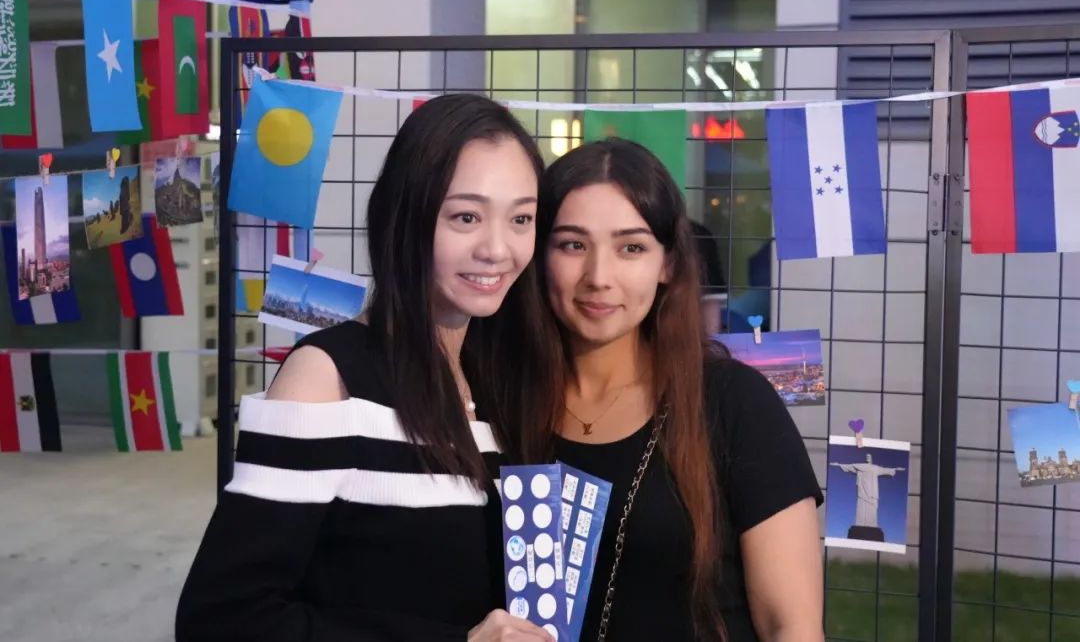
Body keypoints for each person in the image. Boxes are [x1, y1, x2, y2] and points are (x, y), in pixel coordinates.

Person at [176, 94, 558, 642]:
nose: (497, 249)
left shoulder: (500, 380)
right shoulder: (326, 380)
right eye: (466, 217)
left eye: (521, 218)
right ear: (404, 217)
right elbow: (221, 619)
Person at [534, 138, 824, 642]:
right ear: (539, 254)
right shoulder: (496, 399)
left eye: (631, 247)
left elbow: (792, 627)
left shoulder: (734, 403)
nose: (599, 277)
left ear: (668, 264)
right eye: (573, 245)